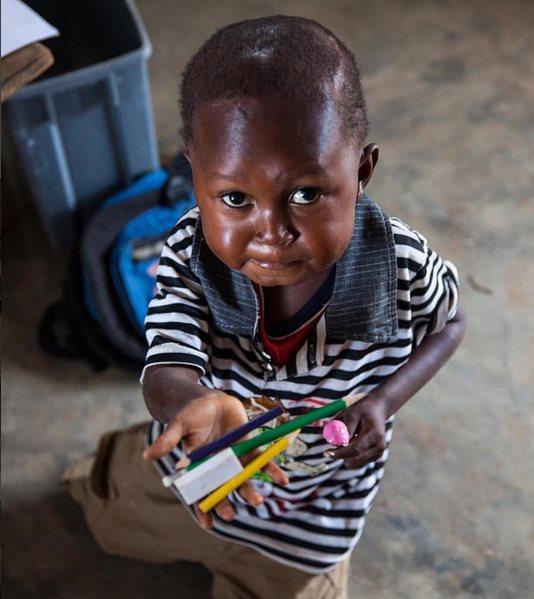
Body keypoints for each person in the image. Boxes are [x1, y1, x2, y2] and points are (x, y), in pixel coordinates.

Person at [63, 15, 466, 599]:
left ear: (361, 173)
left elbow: (451, 323)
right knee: (113, 518)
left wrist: (382, 402)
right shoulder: (189, 254)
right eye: (234, 198)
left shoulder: (399, 264)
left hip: (313, 519)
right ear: (195, 178)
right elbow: (166, 366)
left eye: (305, 194)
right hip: (195, 473)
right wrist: (195, 402)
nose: (271, 232)